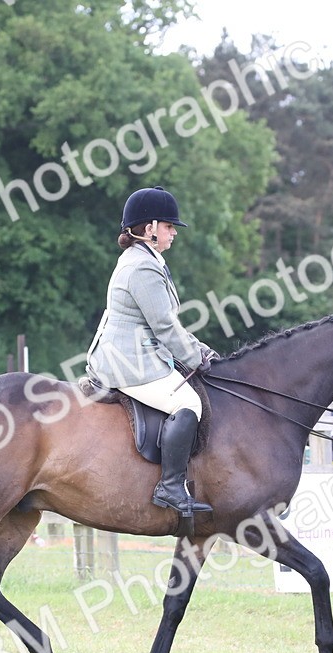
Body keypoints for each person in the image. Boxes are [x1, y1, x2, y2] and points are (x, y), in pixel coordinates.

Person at [85, 186, 216, 516]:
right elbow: (164, 327)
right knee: (189, 402)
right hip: (127, 361)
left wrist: (201, 349)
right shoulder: (143, 267)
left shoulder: (145, 260)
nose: (174, 232)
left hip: (138, 352)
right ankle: (170, 487)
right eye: (170, 226)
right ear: (150, 228)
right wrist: (195, 359)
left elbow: (168, 323)